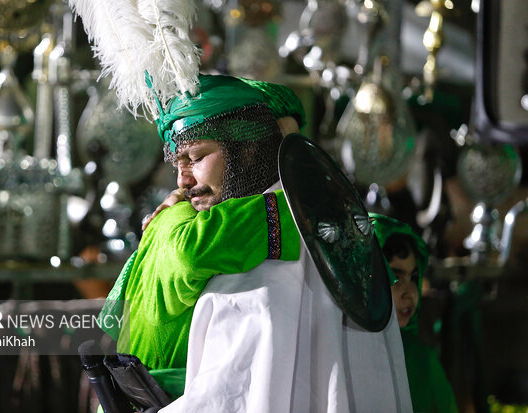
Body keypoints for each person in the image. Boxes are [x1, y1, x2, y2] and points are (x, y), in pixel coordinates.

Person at [95, 74, 412, 412]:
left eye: (197, 157)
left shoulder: (252, 257)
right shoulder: (336, 227)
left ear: (247, 150)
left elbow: (229, 397)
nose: (182, 181)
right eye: (178, 163)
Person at [372, 213, 459, 413]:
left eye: (414, 277)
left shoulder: (420, 358)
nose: (410, 292)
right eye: (395, 276)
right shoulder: (334, 351)